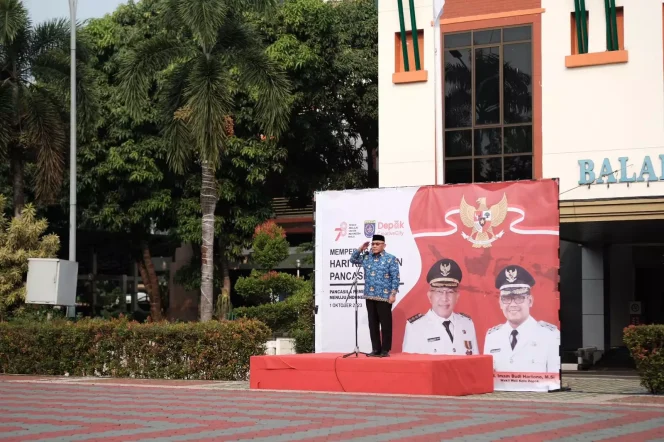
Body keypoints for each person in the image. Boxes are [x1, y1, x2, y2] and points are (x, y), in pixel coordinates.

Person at [483, 265, 560, 373]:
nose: (512, 304)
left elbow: (554, 381)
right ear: (500, 303)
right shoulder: (492, 336)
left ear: (530, 301)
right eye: (506, 298)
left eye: (519, 298)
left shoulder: (550, 335)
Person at [402, 258, 478, 355]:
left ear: (457, 297)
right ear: (430, 296)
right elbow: (412, 367)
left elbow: (475, 364)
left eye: (450, 292)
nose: (444, 298)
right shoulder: (416, 327)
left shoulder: (467, 324)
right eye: (439, 291)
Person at [350, 234, 400, 357]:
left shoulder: (390, 259)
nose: (374, 246)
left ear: (384, 245)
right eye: (373, 244)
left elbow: (395, 278)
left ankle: (385, 350)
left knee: (385, 323)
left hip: (384, 296)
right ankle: (376, 349)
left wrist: (393, 294)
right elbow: (353, 259)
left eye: (377, 244)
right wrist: (361, 248)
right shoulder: (367, 258)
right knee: (373, 323)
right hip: (370, 295)